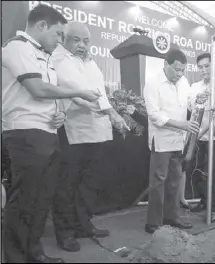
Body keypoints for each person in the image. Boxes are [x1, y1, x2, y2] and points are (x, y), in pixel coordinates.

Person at [1, 5, 100, 263]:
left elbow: (49, 96)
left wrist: (60, 113)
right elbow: (37, 89)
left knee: (41, 199)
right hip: (24, 133)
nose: (60, 41)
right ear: (41, 26)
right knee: (24, 200)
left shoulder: (44, 55)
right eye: (58, 34)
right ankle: (14, 257)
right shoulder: (17, 47)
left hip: (47, 132)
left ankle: (34, 253)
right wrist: (77, 92)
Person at [50, 22, 129, 252]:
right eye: (76, 40)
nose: (82, 45)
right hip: (73, 132)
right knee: (67, 185)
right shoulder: (59, 59)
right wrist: (113, 113)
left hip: (97, 131)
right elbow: (81, 90)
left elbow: (100, 91)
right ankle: (64, 232)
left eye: (86, 41)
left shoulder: (92, 62)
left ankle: (83, 224)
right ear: (64, 39)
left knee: (89, 184)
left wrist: (110, 114)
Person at [143, 49, 206, 234]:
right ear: (166, 65)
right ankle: (153, 222)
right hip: (161, 140)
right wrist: (182, 125)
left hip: (179, 140)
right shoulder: (152, 84)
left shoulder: (184, 82)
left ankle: (171, 217)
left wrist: (197, 99)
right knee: (158, 181)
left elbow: (189, 102)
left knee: (174, 181)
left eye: (182, 70)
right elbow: (155, 115)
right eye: (176, 70)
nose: (180, 74)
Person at [188, 53, 215, 222]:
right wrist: (197, 100)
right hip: (198, 135)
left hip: (214, 138)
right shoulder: (195, 86)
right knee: (197, 171)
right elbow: (190, 104)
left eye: (206, 66)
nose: (203, 70)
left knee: (211, 173)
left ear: (213, 66)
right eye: (200, 67)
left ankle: (212, 208)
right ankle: (203, 201)